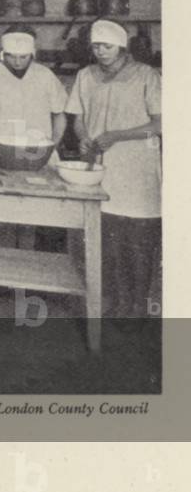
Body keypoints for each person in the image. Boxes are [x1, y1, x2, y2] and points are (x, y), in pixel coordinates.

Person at [65, 19, 161, 317]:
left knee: (138, 240)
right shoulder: (86, 75)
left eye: (107, 46)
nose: (101, 52)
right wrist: (82, 138)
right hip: (99, 168)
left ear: (121, 46)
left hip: (137, 169)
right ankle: (117, 302)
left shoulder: (145, 75)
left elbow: (159, 126)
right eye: (96, 46)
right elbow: (77, 117)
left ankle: (138, 305)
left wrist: (117, 135)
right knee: (107, 239)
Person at [0, 24, 68, 249]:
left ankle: (25, 271)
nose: (17, 62)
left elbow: (60, 114)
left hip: (34, 153)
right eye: (11, 57)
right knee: (5, 214)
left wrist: (53, 144)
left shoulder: (45, 76)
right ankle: (7, 268)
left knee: (30, 215)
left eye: (23, 57)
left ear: (32, 54)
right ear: (3, 53)